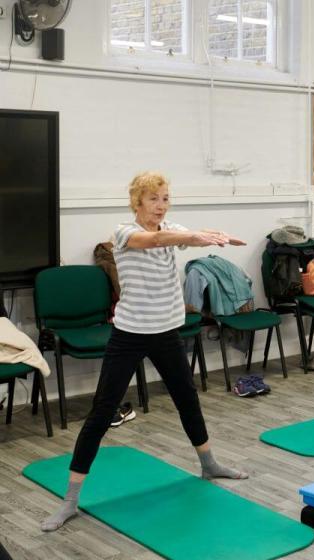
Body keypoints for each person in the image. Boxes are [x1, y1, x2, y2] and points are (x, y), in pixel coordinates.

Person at [40, 172, 249, 532]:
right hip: (130, 334)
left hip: (166, 331)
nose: (161, 206)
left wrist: (206, 238)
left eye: (166, 198)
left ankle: (209, 463)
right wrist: (192, 236)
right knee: (102, 412)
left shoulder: (172, 228)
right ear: (138, 203)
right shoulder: (123, 233)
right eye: (154, 199)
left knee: (187, 399)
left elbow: (176, 237)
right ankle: (70, 501)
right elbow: (154, 239)